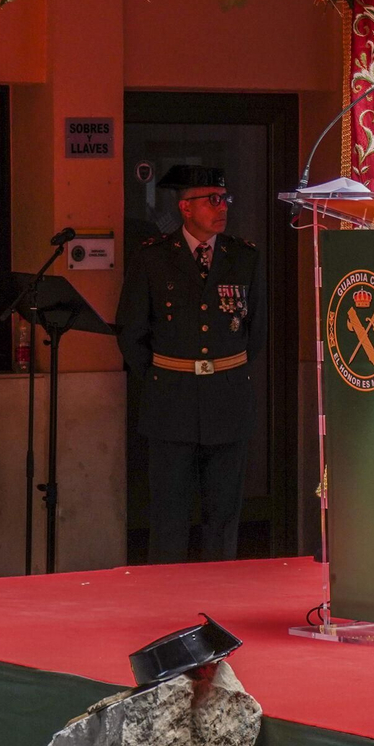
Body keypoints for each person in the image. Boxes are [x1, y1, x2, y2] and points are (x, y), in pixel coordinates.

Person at [115, 165, 264, 563]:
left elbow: (258, 332)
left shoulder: (244, 257)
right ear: (185, 208)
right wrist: (163, 376)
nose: (222, 207)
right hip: (171, 400)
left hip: (228, 398)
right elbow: (131, 332)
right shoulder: (153, 258)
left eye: (225, 198)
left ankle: (220, 595)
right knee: (168, 515)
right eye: (211, 200)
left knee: (223, 513)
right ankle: (166, 599)